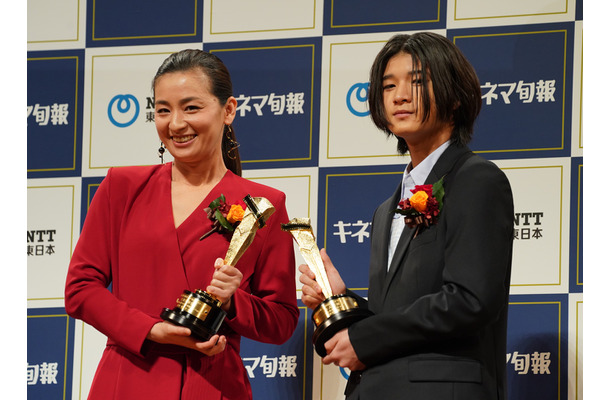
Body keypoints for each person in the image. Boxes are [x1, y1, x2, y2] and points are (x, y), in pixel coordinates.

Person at [65, 49, 299, 400]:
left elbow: (281, 321)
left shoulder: (264, 205)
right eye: (163, 110)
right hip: (128, 379)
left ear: (229, 110)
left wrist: (235, 302)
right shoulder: (121, 187)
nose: (175, 124)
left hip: (212, 385)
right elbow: (80, 289)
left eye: (191, 108)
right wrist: (151, 330)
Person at [299, 32, 514, 400]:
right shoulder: (386, 210)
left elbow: (469, 300)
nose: (399, 95)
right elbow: (395, 316)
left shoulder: (477, 180)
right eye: (388, 85)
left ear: (456, 95)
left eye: (416, 82)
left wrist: (363, 339)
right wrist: (341, 299)